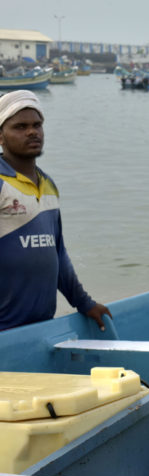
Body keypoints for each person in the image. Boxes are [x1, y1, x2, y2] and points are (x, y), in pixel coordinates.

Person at [0, 90, 111, 331]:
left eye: (37, 125)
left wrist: (84, 302)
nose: (32, 132)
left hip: (38, 328)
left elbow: (57, 252)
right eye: (20, 127)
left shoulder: (48, 185)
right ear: (1, 136)